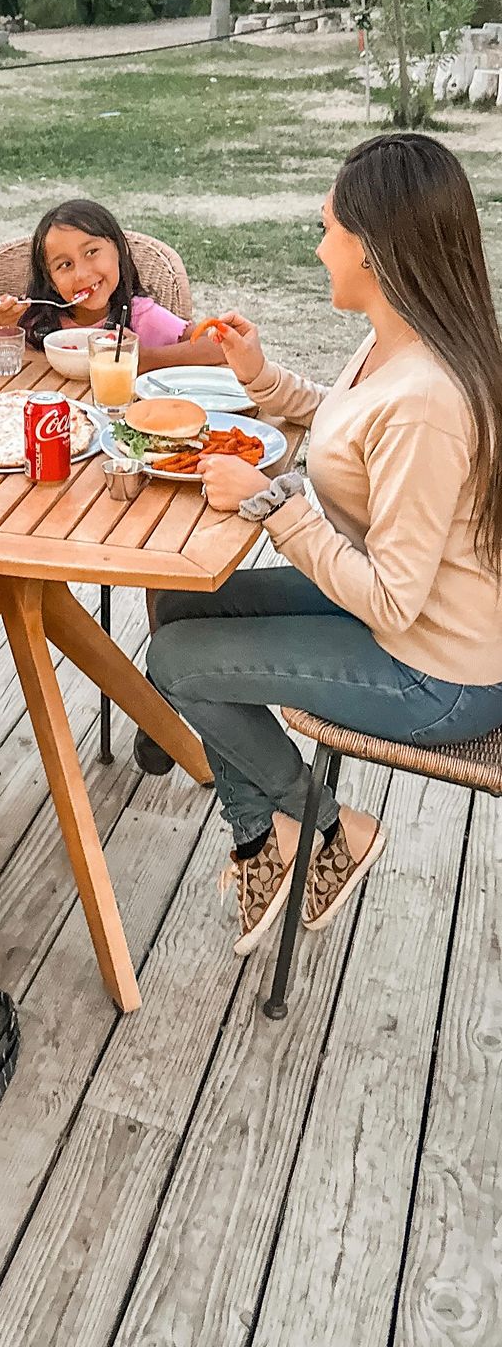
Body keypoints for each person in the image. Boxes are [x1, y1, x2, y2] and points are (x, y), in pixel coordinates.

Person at [145, 134, 502, 957]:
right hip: (403, 617)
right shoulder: (399, 337)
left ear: (372, 248)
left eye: (327, 229)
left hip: (437, 671)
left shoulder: (427, 399)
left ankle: (325, 827)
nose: (318, 248)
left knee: (175, 661)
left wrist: (275, 504)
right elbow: (348, 427)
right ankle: (258, 837)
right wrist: (259, 376)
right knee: (180, 602)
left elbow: (393, 600)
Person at [0, 199, 225, 370]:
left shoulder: (142, 316)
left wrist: (144, 358)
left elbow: (221, 345)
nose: (82, 274)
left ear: (121, 250)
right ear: (50, 280)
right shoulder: (34, 318)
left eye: (91, 252)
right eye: (65, 265)